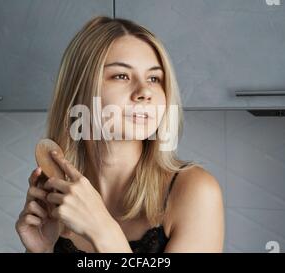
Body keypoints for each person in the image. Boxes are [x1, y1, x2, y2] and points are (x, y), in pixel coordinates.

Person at [15, 16, 224, 253]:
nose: (145, 91)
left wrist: (103, 231)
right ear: (79, 90)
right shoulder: (60, 197)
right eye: (121, 76)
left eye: (154, 78)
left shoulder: (194, 191)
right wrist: (41, 250)